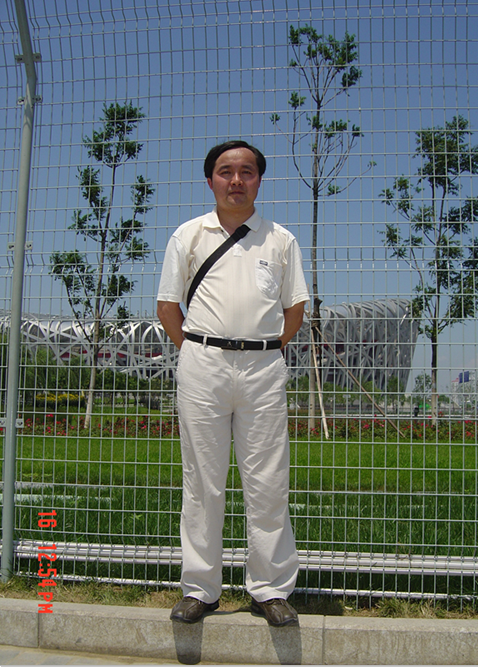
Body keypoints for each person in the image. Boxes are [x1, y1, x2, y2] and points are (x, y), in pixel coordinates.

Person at [157, 140, 309, 627]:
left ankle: (271, 589)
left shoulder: (280, 240)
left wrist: (263, 349)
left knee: (268, 480)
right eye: (226, 171)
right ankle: (200, 589)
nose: (236, 180)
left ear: (259, 180)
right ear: (210, 181)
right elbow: (167, 307)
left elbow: (294, 309)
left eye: (247, 171)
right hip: (203, 363)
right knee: (202, 480)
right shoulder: (188, 235)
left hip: (263, 367)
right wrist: (197, 350)